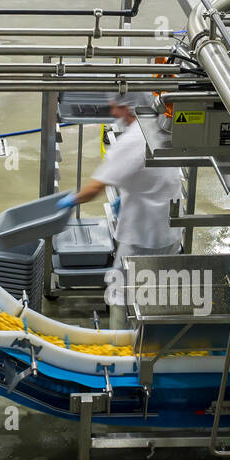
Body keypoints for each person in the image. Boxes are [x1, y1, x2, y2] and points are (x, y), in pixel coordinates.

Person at [62, 93, 181, 325]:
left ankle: (119, 346)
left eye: (116, 108)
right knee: (155, 292)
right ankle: (151, 342)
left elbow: (95, 188)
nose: (114, 113)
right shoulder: (160, 127)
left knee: (120, 290)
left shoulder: (133, 140)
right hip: (169, 230)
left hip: (142, 236)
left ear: (129, 108)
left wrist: (69, 201)